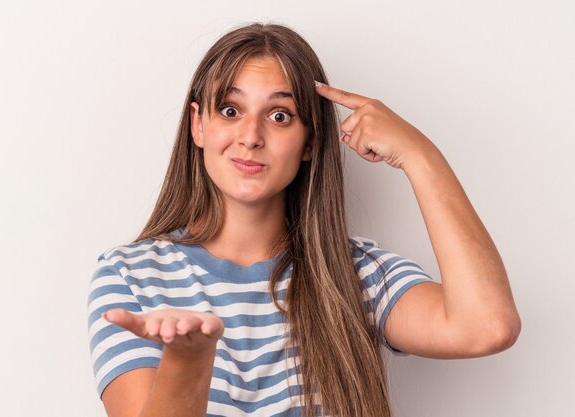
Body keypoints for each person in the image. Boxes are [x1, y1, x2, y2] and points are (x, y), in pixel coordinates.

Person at [87, 22, 520, 417]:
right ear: (198, 126)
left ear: (310, 140)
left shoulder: (355, 274)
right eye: (230, 110)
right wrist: (189, 359)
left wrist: (420, 156)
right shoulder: (129, 275)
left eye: (280, 116)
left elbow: (487, 327)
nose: (251, 136)